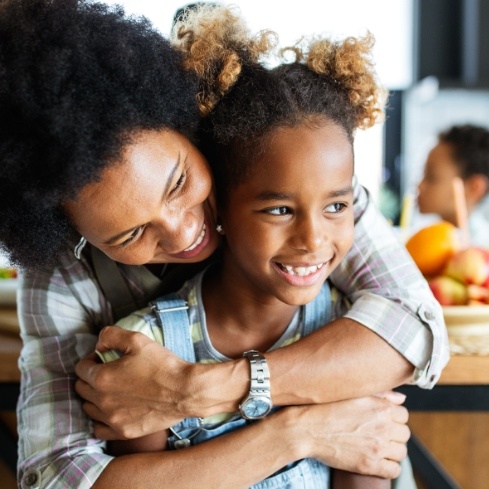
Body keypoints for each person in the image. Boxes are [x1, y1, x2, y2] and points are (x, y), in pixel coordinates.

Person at [0, 1, 448, 488]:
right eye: (130, 234)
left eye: (178, 182)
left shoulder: (284, 177)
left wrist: (195, 391)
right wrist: (295, 433)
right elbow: (59, 477)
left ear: (187, 125)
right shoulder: (65, 277)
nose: (182, 232)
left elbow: (415, 328)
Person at [95, 6, 409, 488]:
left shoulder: (351, 342)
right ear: (218, 206)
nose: (313, 240)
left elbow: (368, 465)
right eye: (279, 210)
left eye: (337, 206)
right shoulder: (148, 350)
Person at [417, 124, 489, 246]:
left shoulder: (480, 250)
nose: (419, 186)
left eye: (432, 177)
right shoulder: (427, 241)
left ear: (474, 187)